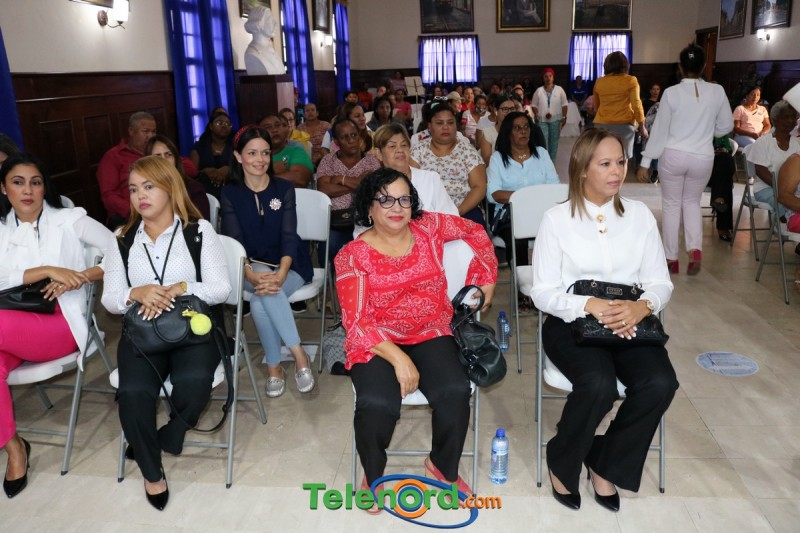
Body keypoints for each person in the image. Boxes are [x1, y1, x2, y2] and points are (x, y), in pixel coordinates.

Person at [531, 128, 678, 512]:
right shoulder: (556, 219)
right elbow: (542, 292)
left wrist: (642, 306)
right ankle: (562, 457)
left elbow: (660, 281)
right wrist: (589, 304)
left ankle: (605, 461)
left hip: (630, 320)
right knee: (598, 384)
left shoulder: (639, 215)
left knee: (660, 382)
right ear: (582, 168)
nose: (617, 171)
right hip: (570, 322)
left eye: (621, 162)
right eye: (606, 163)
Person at [335, 167, 497, 507]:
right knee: (377, 403)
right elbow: (357, 322)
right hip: (378, 339)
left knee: (454, 390)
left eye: (404, 199)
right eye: (385, 200)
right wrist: (399, 359)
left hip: (431, 329)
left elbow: (476, 232)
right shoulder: (352, 256)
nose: (396, 207)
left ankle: (442, 466)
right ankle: (373, 475)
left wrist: (484, 281)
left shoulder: (429, 227)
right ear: (368, 207)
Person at [101, 156, 230, 511]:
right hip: (142, 331)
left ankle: (170, 434)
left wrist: (181, 287)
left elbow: (221, 289)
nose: (140, 196)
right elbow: (110, 299)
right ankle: (151, 472)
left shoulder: (198, 231)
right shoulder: (122, 238)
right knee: (133, 392)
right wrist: (136, 292)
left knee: (195, 382)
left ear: (170, 188)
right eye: (133, 189)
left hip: (190, 326)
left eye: (149, 187)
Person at [0, 154, 113, 499]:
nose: (28, 190)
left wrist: (84, 275)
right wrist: (47, 270)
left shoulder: (69, 219)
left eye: (35, 182)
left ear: (44, 187)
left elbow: (121, 249)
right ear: (3, 189)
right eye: (17, 182)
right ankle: (15, 448)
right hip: (10, 328)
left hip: (62, 324)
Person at [220, 126, 315, 398]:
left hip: (291, 263)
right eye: (252, 153)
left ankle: (275, 367)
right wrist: (250, 274)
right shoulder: (230, 193)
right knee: (263, 282)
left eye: (264, 153)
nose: (260, 159)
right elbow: (235, 240)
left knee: (261, 300)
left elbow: (289, 235)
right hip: (251, 267)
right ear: (238, 157)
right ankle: (298, 354)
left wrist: (282, 273)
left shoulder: (283, 188)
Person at [636, 45, 733, 275]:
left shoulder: (671, 93)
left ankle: (671, 259)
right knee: (692, 202)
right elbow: (726, 126)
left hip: (673, 156)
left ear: (680, 67)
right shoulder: (717, 91)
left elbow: (660, 131)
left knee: (671, 205)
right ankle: (695, 249)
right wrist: (708, 131)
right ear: (703, 66)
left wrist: (645, 162)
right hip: (702, 157)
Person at [487, 111, 557, 307]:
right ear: (508, 132)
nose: (523, 131)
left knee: (557, 232)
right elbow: (493, 194)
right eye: (517, 128)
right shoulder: (498, 158)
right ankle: (524, 287)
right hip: (509, 216)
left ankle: (549, 284)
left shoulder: (541, 154)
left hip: (541, 213)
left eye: (526, 127)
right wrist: (527, 196)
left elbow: (554, 185)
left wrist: (526, 197)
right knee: (516, 233)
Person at [410, 101, 487, 225]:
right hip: (426, 211)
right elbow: (410, 185)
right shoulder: (418, 151)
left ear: (456, 125)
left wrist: (457, 211)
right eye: (439, 123)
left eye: (450, 123)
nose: (445, 127)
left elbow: (479, 187)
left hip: (464, 210)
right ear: (429, 126)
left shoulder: (467, 151)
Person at [316, 119, 381, 262]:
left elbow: (373, 188)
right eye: (344, 137)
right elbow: (323, 189)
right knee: (328, 247)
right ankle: (333, 275)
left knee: (371, 249)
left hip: (367, 221)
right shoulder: (328, 161)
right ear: (336, 141)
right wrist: (359, 182)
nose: (351, 140)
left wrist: (339, 179)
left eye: (354, 135)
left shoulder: (371, 161)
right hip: (335, 222)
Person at [373, 122, 457, 215]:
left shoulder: (430, 179)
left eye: (404, 145)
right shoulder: (373, 184)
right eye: (392, 146)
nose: (400, 150)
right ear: (379, 153)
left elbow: (451, 216)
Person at [97, 111, 157, 228]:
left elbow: (191, 168)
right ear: (131, 131)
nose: (150, 136)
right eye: (145, 131)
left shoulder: (157, 151)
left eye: (153, 131)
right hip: (129, 215)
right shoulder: (113, 156)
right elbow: (109, 196)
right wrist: (137, 211)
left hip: (159, 208)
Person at [746, 100, 800, 220]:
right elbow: (761, 170)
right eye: (785, 117)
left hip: (793, 189)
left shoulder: (797, 143)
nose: (790, 121)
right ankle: (783, 225)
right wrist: (784, 188)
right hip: (767, 188)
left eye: (793, 117)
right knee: (787, 203)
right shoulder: (763, 142)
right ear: (775, 119)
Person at [592, 52, 647, 162]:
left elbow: (596, 106)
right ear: (625, 65)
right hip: (624, 125)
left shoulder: (599, 82)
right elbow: (636, 105)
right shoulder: (631, 80)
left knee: (604, 159)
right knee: (622, 159)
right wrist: (642, 127)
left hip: (602, 125)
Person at [146, 135, 210, 220]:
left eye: (168, 155)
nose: (164, 160)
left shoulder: (194, 189)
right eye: (158, 156)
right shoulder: (144, 190)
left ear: (176, 159)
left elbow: (200, 224)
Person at [258, 114, 314, 187]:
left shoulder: (296, 151)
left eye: (277, 125)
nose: (274, 130)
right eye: (268, 127)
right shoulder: (254, 157)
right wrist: (273, 168)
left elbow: (299, 179)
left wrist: (261, 178)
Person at [190, 110, 234, 198]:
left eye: (228, 124)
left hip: (232, 189)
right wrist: (205, 171)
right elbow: (192, 175)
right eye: (219, 123)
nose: (224, 126)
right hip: (205, 192)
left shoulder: (236, 146)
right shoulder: (199, 147)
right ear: (211, 126)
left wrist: (230, 169)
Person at [531, 68, 569, 163]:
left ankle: (552, 164)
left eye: (550, 76)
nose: (548, 78)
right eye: (546, 76)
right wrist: (536, 113)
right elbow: (534, 105)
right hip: (542, 121)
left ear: (553, 77)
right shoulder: (539, 90)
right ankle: (544, 163)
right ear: (543, 78)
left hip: (556, 120)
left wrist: (564, 116)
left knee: (554, 143)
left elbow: (564, 104)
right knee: (543, 144)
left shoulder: (559, 90)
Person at [477, 94, 518, 166]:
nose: (509, 112)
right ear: (496, 110)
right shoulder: (488, 133)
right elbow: (487, 161)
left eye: (512, 109)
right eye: (505, 109)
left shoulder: (520, 131)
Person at [243, 4, 284, 75]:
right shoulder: (252, 53)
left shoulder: (272, 52)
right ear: (259, 23)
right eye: (270, 19)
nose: (275, 23)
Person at [297, 102, 331, 167]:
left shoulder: (326, 126)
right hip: (305, 162)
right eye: (307, 111)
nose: (310, 112)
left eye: (312, 110)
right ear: (304, 114)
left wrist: (320, 157)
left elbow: (332, 145)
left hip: (325, 160)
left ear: (317, 113)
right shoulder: (299, 128)